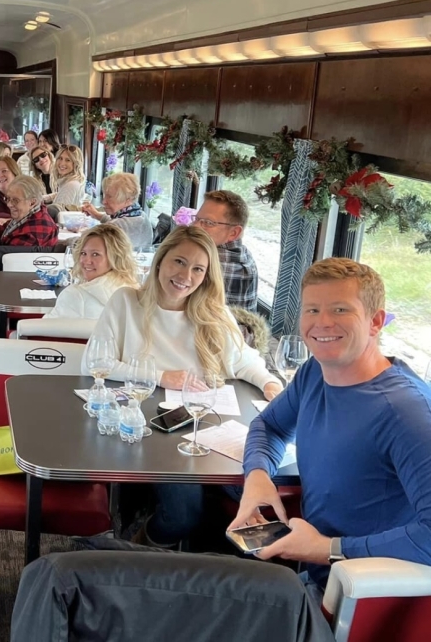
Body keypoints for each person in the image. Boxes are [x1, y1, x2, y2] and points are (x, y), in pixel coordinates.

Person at [232, 258, 431, 598]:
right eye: (312, 310)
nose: (322, 322)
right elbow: (270, 425)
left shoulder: (406, 413)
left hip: (360, 598)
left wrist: (327, 548)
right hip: (315, 576)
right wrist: (258, 475)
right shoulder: (314, 372)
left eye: (340, 310)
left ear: (375, 322)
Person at [84, 227, 282, 548]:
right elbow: (95, 363)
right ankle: (141, 548)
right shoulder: (126, 302)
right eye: (179, 262)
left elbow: (245, 361)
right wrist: (161, 376)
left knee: (258, 498)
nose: (185, 276)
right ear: (161, 260)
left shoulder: (213, 313)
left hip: (207, 429)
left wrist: (270, 383)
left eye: (198, 269)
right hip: (151, 433)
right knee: (182, 514)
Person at [0, 176, 61, 376]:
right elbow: (1, 238)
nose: (9, 204)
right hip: (10, 279)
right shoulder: (29, 217)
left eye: (15, 200)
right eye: (8, 199)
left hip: (18, 290)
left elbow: (9, 259)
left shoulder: (35, 230)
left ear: (32, 201)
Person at [44, 225, 139, 320]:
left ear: (114, 258)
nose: (86, 261)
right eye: (83, 253)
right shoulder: (134, 292)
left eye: (95, 254)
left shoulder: (75, 295)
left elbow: (45, 327)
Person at [194, 189, 259, 311]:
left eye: (208, 223)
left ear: (234, 233)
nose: (195, 227)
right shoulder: (243, 252)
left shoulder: (217, 264)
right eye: (197, 219)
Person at [82, 172, 153, 248]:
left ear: (127, 200)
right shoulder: (141, 216)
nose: (104, 201)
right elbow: (119, 222)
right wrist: (96, 214)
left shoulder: (113, 228)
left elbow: (83, 244)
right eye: (105, 195)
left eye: (109, 197)